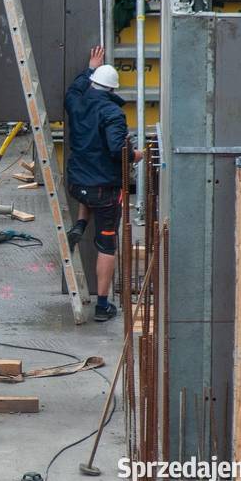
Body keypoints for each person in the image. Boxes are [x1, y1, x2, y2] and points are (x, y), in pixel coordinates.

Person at [64, 46, 142, 322]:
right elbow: (116, 151)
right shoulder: (112, 113)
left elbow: (73, 90)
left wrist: (89, 68)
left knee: (90, 190)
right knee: (107, 245)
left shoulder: (77, 101)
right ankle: (102, 305)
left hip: (77, 183)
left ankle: (81, 224)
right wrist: (135, 155)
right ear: (112, 90)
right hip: (103, 189)